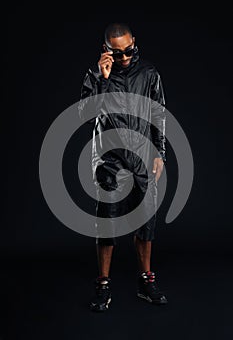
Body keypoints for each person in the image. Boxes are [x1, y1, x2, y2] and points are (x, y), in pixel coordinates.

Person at [78, 22, 168, 312]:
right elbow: (83, 114)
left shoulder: (149, 73)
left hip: (143, 152)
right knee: (107, 219)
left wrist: (160, 153)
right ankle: (103, 284)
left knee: (146, 217)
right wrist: (104, 80)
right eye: (118, 53)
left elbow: (158, 113)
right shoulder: (96, 75)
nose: (125, 57)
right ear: (106, 50)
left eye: (129, 50)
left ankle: (146, 279)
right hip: (109, 156)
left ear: (134, 43)